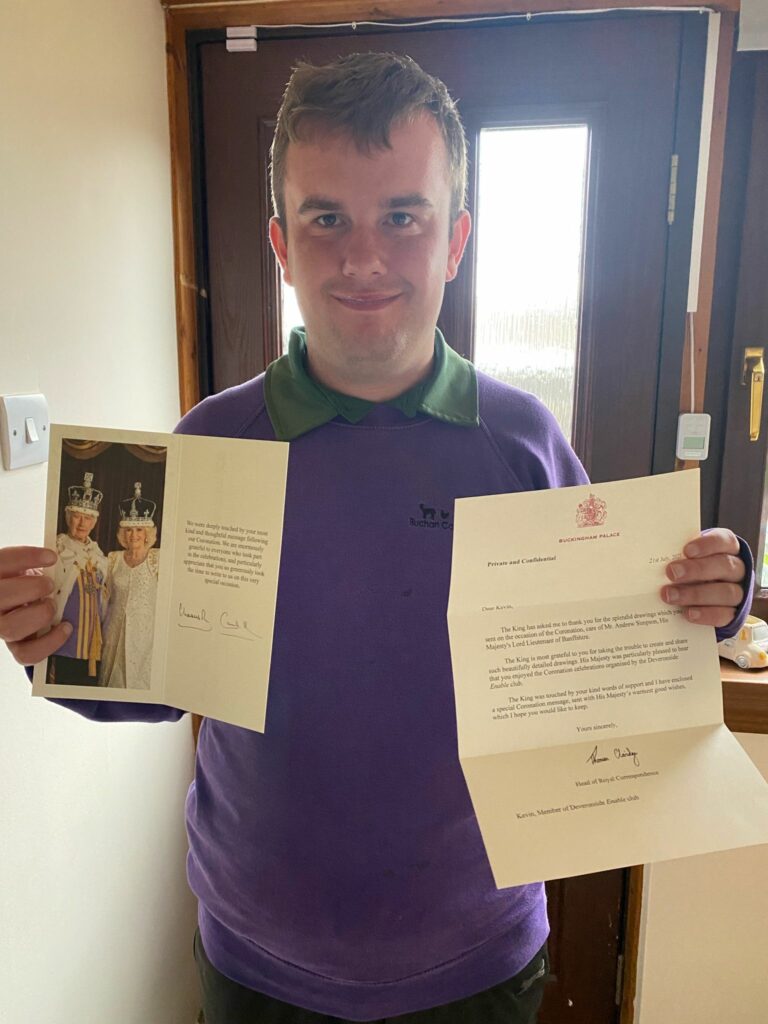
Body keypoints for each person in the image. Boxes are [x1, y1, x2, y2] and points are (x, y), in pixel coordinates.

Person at [0, 53, 752, 1024]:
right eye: (326, 219)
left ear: (456, 240)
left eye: (404, 216)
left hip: (476, 959)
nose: (363, 259)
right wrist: (52, 639)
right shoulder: (213, 444)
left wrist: (701, 601)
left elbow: (604, 659)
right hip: (259, 958)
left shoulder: (521, 440)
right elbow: (157, 682)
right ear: (280, 242)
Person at [47, 471, 109, 685]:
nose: (83, 523)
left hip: (94, 645)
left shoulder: (99, 555)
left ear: (94, 522)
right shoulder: (56, 549)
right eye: (77, 516)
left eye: (89, 517)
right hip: (65, 643)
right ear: (68, 516)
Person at [99, 481, 160, 690]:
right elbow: (103, 597)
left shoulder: (157, 559)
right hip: (114, 633)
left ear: (147, 534)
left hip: (146, 638)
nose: (133, 535)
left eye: (139, 530)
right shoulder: (113, 559)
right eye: (128, 530)